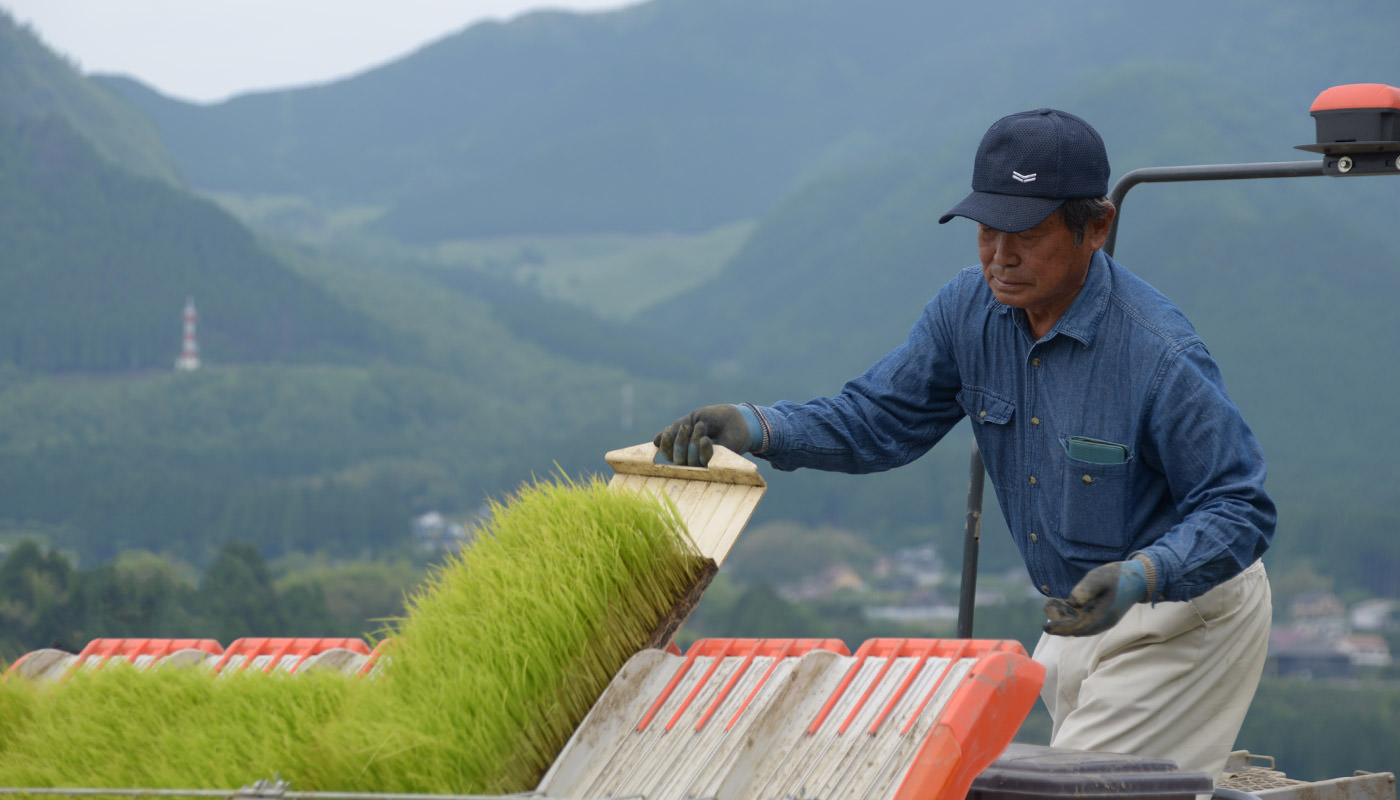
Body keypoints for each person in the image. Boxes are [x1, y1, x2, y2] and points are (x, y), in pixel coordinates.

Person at [654, 108, 1274, 779]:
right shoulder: (966, 311)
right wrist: (753, 427)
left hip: (1181, 612)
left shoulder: (1157, 353)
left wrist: (1141, 576)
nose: (1000, 257)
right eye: (987, 230)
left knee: (1079, 791)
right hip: (1077, 611)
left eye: (1027, 235)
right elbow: (874, 419)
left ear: (1095, 227)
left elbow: (1239, 506)